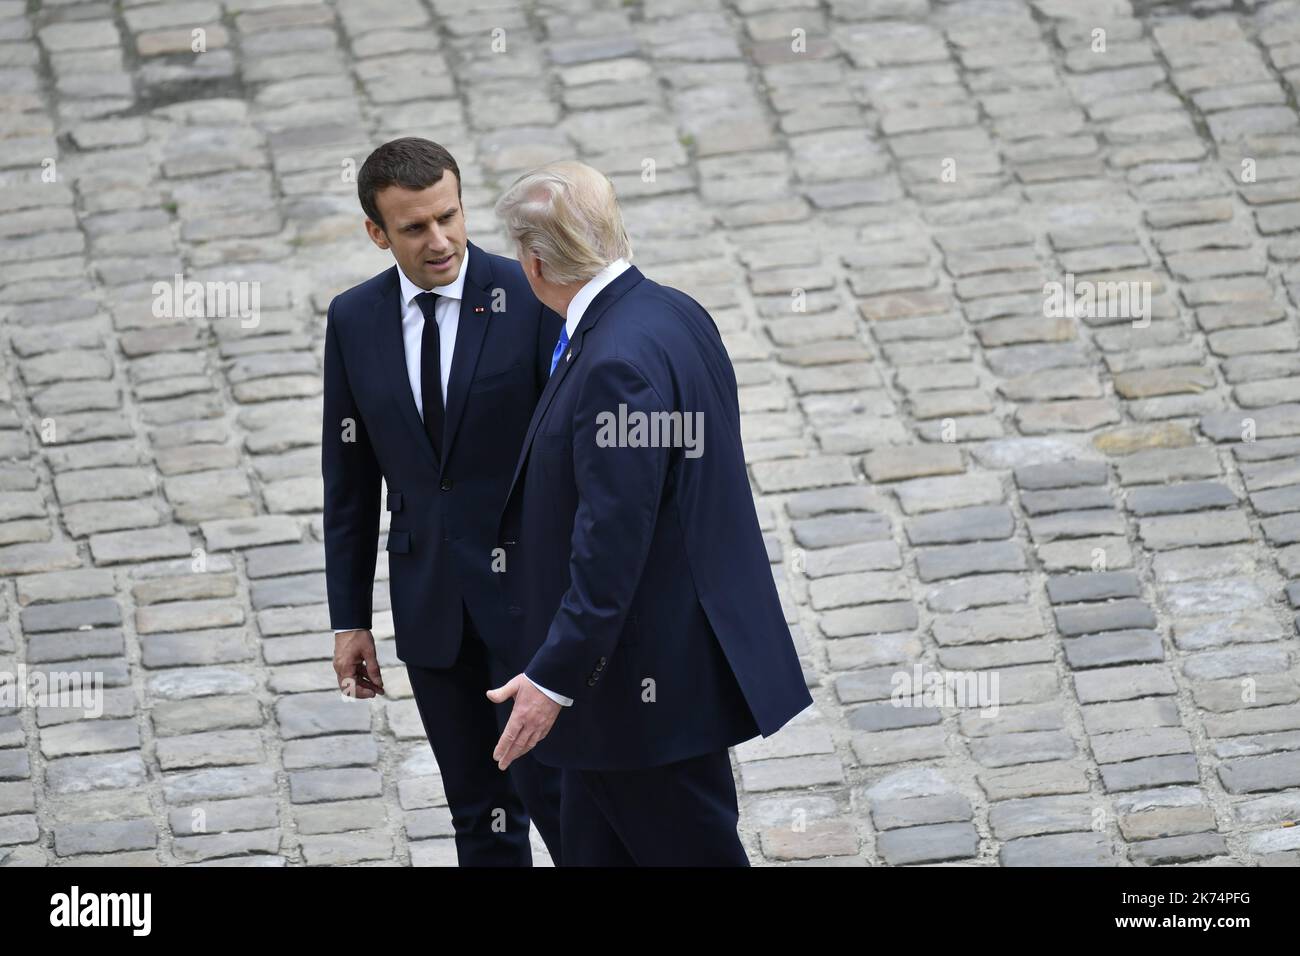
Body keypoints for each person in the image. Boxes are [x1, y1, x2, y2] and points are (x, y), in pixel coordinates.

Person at [486, 160, 812, 865]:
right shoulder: (673, 312)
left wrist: (552, 677)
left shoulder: (614, 364)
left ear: (534, 263)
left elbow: (613, 540)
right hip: (633, 702)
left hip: (639, 701)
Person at [321, 138, 565, 866]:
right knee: (478, 816)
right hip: (432, 612)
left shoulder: (528, 293)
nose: (440, 240)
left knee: (567, 804)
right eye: (415, 228)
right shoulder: (354, 319)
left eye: (448, 217)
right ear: (377, 232)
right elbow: (350, 480)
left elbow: (572, 452)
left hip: (532, 605)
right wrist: (349, 619)